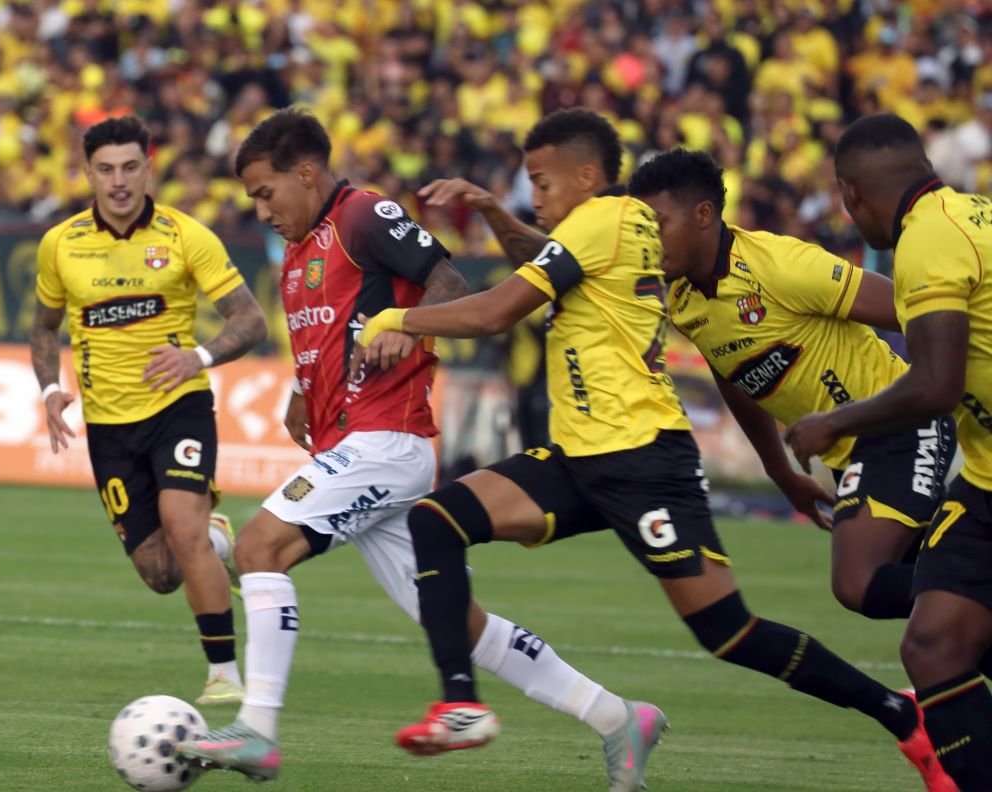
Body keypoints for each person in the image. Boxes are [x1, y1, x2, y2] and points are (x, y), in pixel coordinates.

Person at [354, 108, 949, 792]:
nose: (536, 197)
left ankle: (912, 695)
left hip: (655, 458)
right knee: (436, 521)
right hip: (584, 455)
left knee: (777, 614)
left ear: (588, 178)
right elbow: (729, 373)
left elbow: (498, 309)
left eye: (542, 182)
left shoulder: (663, 235)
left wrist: (394, 317)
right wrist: (779, 470)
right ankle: (461, 704)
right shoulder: (654, 267)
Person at [178, 108, 659, 791]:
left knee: (260, 547)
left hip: (389, 438)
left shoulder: (362, 213)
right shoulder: (297, 250)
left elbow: (449, 281)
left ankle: (257, 726)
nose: (261, 208)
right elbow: (332, 331)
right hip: (356, 441)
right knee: (457, 621)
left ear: (307, 173)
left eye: (265, 191)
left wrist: (409, 327)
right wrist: (299, 388)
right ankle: (617, 717)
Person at [627, 147, 956, 625]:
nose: (648, 240)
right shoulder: (682, 300)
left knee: (858, 580)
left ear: (703, 215)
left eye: (656, 223)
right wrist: (779, 471)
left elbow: (913, 309)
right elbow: (733, 373)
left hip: (903, 424)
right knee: (923, 593)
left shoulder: (780, 265)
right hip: (852, 453)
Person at [29, 116, 267, 707]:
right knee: (161, 572)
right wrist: (48, 390)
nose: (118, 181)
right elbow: (42, 327)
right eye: (106, 169)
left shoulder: (186, 236)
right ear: (87, 173)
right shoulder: (60, 244)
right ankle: (216, 542)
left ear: (148, 168)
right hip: (108, 426)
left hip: (178, 407)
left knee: (181, 528)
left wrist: (199, 357)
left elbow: (251, 320)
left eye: (130, 166)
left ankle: (224, 674)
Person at [786, 113, 992, 790]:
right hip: (986, 472)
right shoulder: (971, 214)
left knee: (933, 638)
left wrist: (832, 422)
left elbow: (935, 384)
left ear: (851, 194)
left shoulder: (927, 242)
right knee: (935, 638)